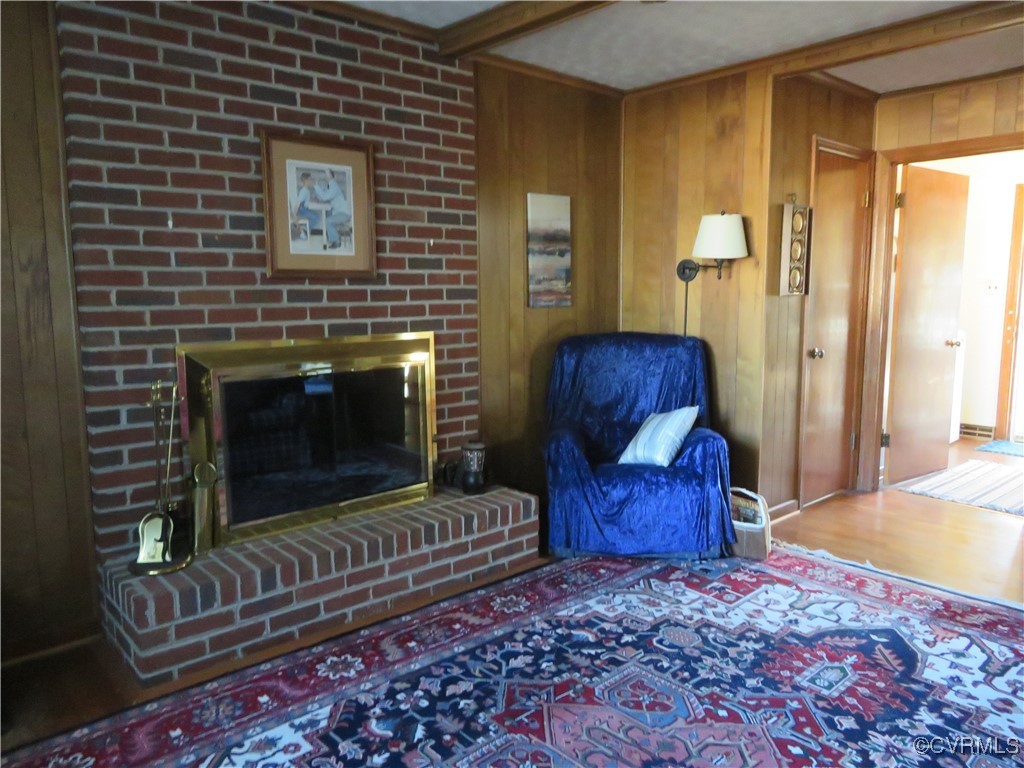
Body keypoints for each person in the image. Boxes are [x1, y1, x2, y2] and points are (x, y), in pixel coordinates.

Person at [317, 168, 353, 250]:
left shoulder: (334, 186)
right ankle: (332, 239)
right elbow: (323, 197)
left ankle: (337, 241)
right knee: (327, 216)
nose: (325, 176)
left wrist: (316, 185)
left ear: (332, 176)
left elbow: (324, 197)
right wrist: (320, 189)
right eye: (325, 174)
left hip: (344, 214)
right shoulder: (330, 186)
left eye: (327, 174)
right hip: (338, 213)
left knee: (328, 220)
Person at [291, 172, 317, 241]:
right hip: (302, 211)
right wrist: (295, 214)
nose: (311, 181)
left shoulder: (306, 190)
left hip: (304, 209)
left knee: (316, 215)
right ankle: (304, 230)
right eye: (310, 179)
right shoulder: (304, 191)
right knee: (315, 217)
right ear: (306, 181)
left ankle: (304, 230)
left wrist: (313, 200)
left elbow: (306, 200)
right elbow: (298, 203)